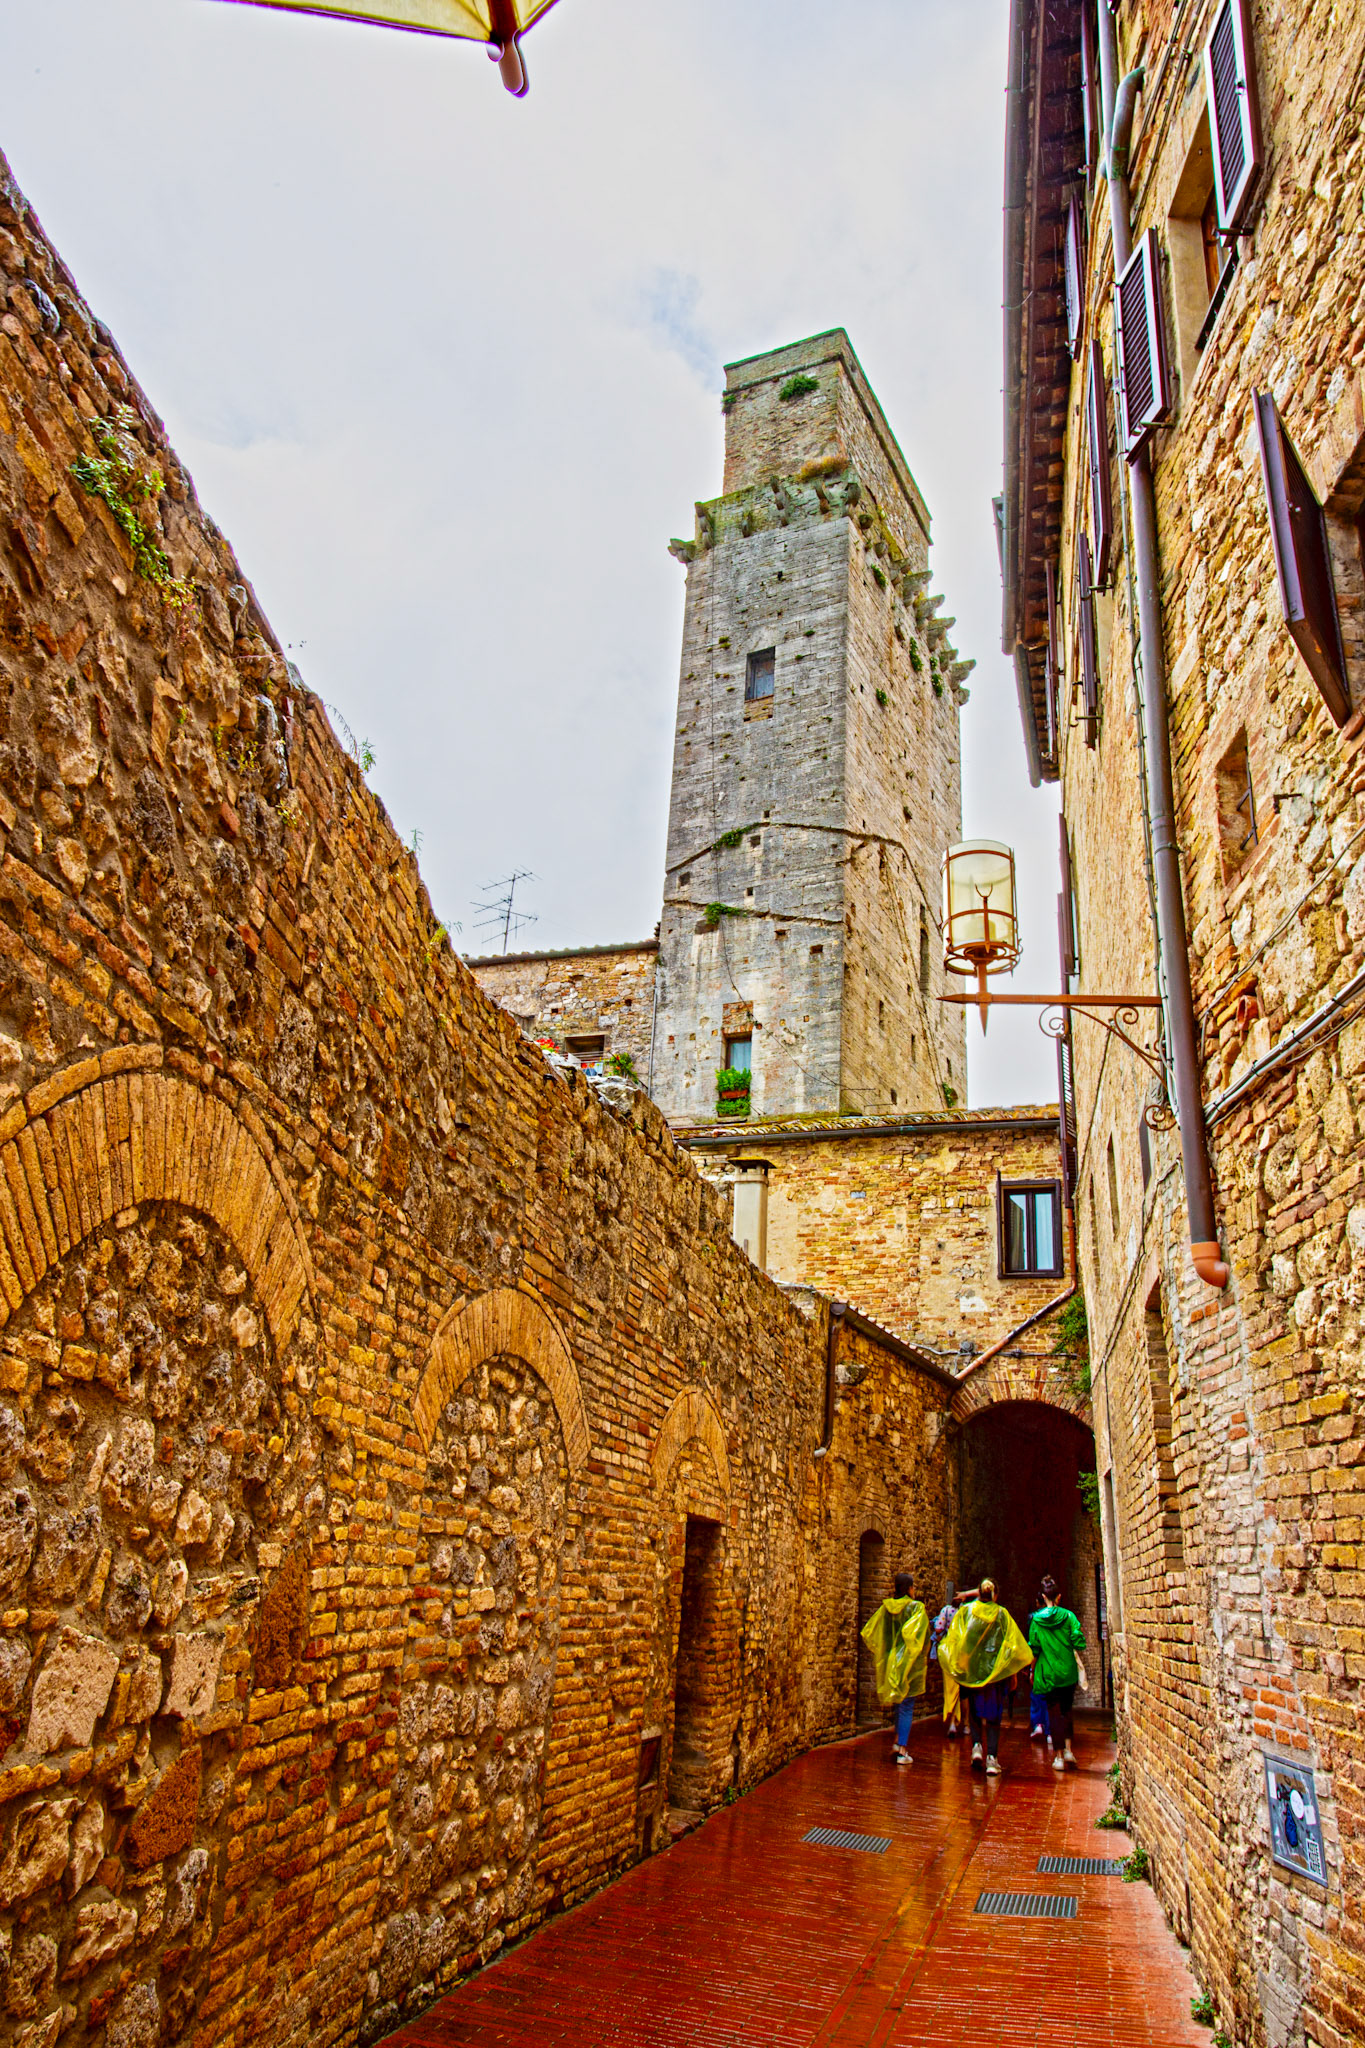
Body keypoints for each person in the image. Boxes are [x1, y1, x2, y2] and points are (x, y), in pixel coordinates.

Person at [936, 1577, 1033, 1778]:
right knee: (994, 1715)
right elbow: (1011, 1645)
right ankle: (992, 1759)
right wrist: (1012, 1673)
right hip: (994, 1672)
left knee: (974, 1710)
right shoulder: (1002, 1614)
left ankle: (977, 1746)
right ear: (995, 1595)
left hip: (972, 1668)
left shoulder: (966, 1612)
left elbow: (956, 1639)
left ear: (979, 1593)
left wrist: (958, 1665)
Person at [860, 1572, 931, 1766]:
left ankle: (897, 1740)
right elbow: (920, 1637)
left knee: (899, 1703)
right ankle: (902, 1749)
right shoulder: (916, 1608)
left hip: (891, 1661)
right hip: (908, 1661)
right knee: (907, 1704)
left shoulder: (886, 1608)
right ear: (910, 1588)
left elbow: (877, 1633)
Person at [1027, 1574, 1088, 1771]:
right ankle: (1069, 1750)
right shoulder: (1069, 1617)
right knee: (1067, 1710)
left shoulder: (1037, 1621)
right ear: (1059, 1597)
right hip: (1068, 1671)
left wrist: (1031, 1670)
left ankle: (1059, 1757)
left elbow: (1034, 1648)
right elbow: (1079, 1642)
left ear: (1043, 1597)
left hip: (1049, 1673)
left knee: (1053, 1713)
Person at [930, 1582, 963, 1737]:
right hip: (961, 1650)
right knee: (959, 1687)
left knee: (948, 1685)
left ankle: (950, 1718)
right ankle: (959, 1721)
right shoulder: (964, 1612)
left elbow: (938, 1628)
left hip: (947, 1650)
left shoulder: (946, 1610)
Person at [1026, 1588, 1053, 1748]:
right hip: (1052, 1661)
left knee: (1037, 1694)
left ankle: (1038, 1724)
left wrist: (1031, 1668)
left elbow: (1033, 1644)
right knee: (1051, 1697)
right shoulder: (1058, 1616)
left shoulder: (1034, 1619)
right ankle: (1050, 1731)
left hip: (1039, 1661)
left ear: (1038, 1602)